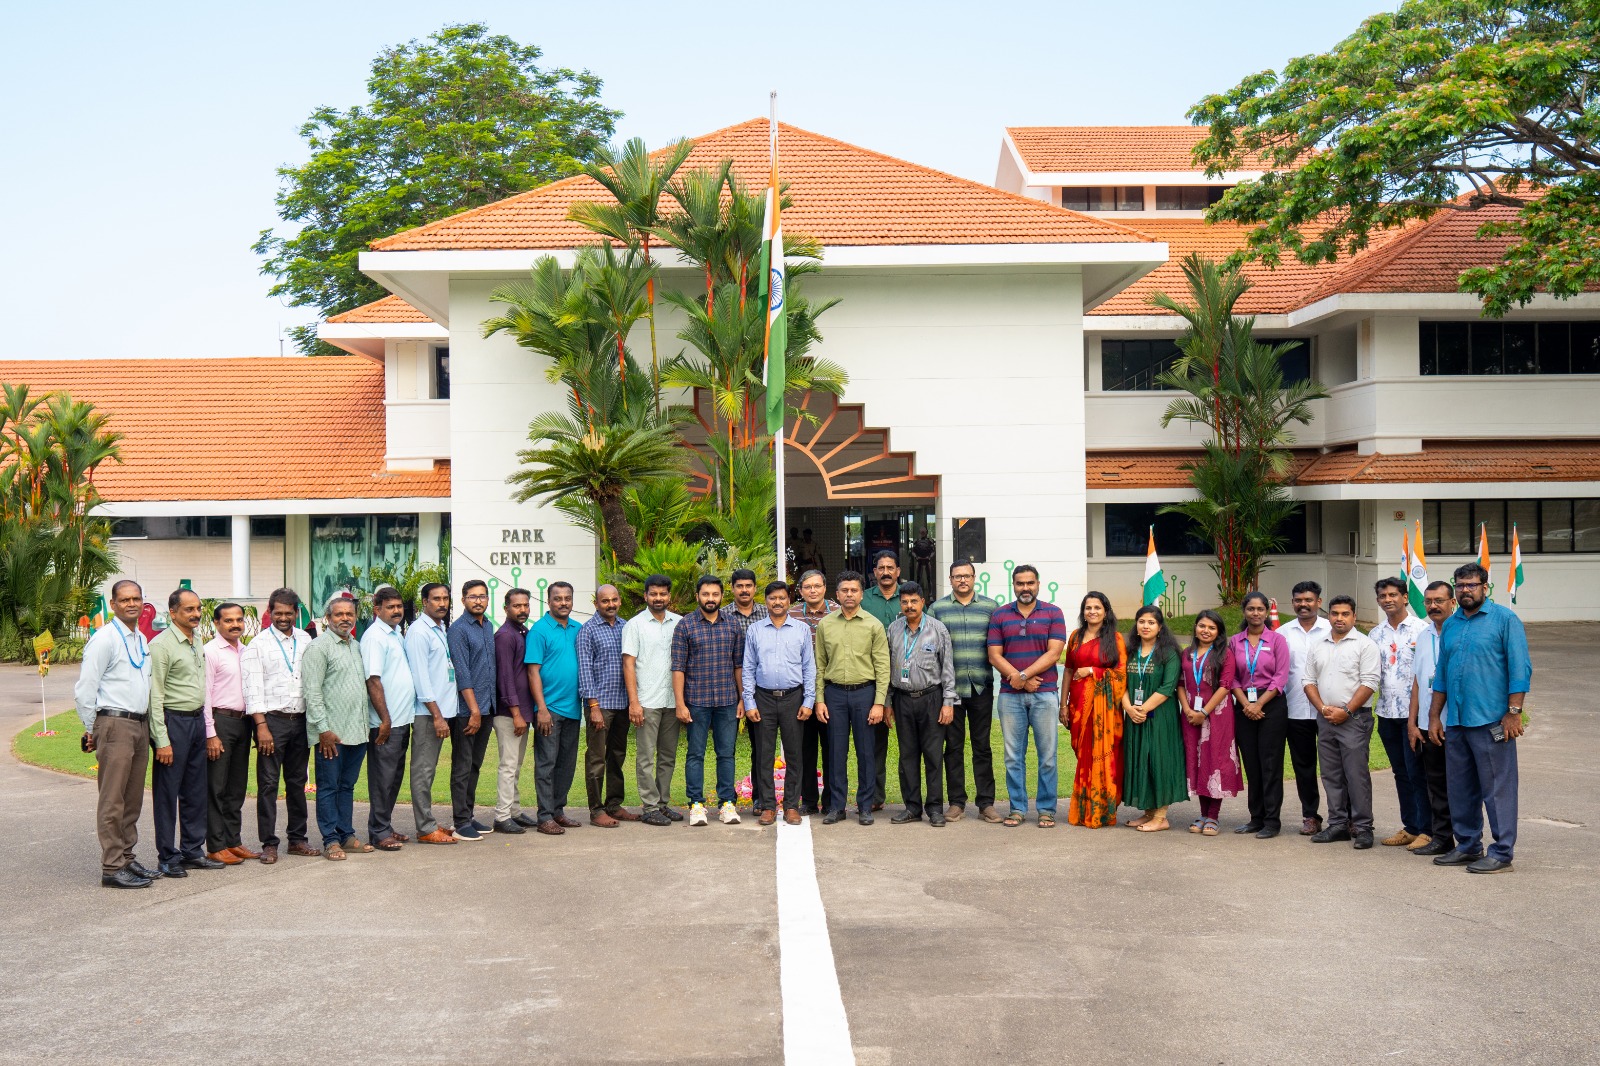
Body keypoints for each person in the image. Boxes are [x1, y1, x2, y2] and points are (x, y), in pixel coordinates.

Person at [1428, 562, 1531, 874]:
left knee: (1497, 788)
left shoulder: (1504, 620)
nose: (1465, 591)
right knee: (1460, 787)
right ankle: (1468, 845)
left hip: (1491, 722)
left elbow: (1520, 669)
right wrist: (1434, 716)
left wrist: (1513, 713)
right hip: (1457, 722)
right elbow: (1442, 675)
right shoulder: (1453, 624)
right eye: (1460, 586)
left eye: (1471, 585)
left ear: (1485, 587)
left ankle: (1501, 852)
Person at [75, 579, 159, 888]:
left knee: (132, 798)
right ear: (113, 604)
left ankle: (127, 858)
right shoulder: (104, 639)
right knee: (112, 799)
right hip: (114, 724)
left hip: (139, 724)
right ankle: (111, 867)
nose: (132, 604)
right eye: (125, 599)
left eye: (136, 598)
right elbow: (85, 689)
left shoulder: (139, 638)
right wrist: (91, 729)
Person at [148, 588, 223, 878]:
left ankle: (192, 851)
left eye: (198, 608)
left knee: (195, 791)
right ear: (173, 612)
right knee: (167, 794)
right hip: (172, 723)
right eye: (189, 609)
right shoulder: (162, 645)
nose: (195, 614)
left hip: (195, 723)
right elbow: (155, 695)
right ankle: (167, 857)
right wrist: (162, 740)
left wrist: (206, 729)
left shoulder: (196, 640)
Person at [986, 565, 1067, 828]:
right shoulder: (1000, 614)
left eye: (1030, 583)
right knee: (1012, 756)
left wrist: (1024, 676)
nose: (1025, 588)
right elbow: (994, 655)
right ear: (1013, 585)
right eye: (1020, 583)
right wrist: (1020, 680)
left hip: (1044, 695)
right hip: (1010, 697)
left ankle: (1046, 809)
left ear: (1038, 584)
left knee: (1047, 756)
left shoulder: (1053, 613)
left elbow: (1054, 653)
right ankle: (1017, 808)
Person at [244, 587, 317, 864]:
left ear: (296, 613)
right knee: (268, 785)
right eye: (278, 613)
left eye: (288, 613)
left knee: (298, 783)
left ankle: (297, 839)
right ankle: (269, 843)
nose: (283, 618)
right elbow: (253, 689)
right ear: (269, 612)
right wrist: (261, 727)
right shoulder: (258, 645)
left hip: (301, 721)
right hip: (272, 722)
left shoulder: (306, 640)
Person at [1303, 595, 1381, 850]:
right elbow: (1308, 680)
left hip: (1354, 720)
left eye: (1345, 614)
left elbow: (1370, 682)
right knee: (1331, 774)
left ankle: (1363, 827)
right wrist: (1323, 708)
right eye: (1335, 613)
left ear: (1354, 617)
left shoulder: (1365, 645)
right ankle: (1337, 824)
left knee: (1356, 775)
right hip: (1325, 718)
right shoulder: (1318, 644)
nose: (1339, 618)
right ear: (1329, 616)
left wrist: (1346, 711)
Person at [814, 570, 890, 825]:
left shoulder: (873, 625)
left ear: (861, 594)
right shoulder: (826, 624)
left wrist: (879, 702)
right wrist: (820, 699)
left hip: (865, 694)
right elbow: (819, 665)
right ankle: (836, 806)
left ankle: (865, 806)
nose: (849, 594)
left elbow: (882, 667)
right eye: (844, 590)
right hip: (834, 694)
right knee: (836, 752)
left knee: (866, 752)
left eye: (854, 590)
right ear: (837, 594)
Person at [742, 580, 817, 825]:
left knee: (795, 754)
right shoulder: (755, 630)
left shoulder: (801, 629)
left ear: (789, 601)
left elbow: (809, 667)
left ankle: (792, 805)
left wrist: (809, 700)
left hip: (793, 698)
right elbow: (748, 668)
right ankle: (768, 806)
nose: (777, 602)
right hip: (763, 698)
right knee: (763, 755)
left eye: (782, 598)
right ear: (766, 601)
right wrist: (749, 702)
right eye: (772, 598)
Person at [673, 575, 746, 826]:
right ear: (698, 596)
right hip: (696, 701)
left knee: (726, 754)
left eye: (715, 594)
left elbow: (739, 665)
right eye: (706, 594)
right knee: (695, 754)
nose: (710, 599)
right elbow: (678, 668)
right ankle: (696, 805)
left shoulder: (734, 625)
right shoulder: (685, 626)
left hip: (727, 700)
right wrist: (680, 704)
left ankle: (727, 804)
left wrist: (742, 698)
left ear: (721, 596)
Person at [930, 560, 1000, 823]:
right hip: (950, 690)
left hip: (981, 685)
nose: (962, 580)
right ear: (950, 579)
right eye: (957, 576)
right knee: (953, 747)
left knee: (982, 746)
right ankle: (956, 802)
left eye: (967, 576)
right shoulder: (938, 609)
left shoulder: (990, 608)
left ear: (974, 578)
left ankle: (986, 804)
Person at [303, 594, 372, 860]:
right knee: (329, 786)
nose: (345, 618)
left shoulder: (355, 645)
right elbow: (313, 692)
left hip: (356, 731)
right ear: (327, 619)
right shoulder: (319, 648)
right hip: (331, 734)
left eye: (349, 614)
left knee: (347, 786)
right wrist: (323, 730)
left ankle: (346, 835)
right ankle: (330, 839)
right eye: (339, 614)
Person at [886, 582, 955, 827]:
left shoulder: (937, 629)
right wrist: (887, 703)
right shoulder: (893, 629)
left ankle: (935, 808)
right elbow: (888, 668)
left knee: (933, 756)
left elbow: (947, 668)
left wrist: (948, 702)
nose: (909, 606)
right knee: (907, 756)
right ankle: (912, 807)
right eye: (904, 601)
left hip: (931, 699)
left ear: (923, 602)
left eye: (914, 601)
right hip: (902, 699)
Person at [1370, 576, 1432, 847]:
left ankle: (1428, 830)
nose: (1388, 600)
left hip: (1415, 716)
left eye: (1393, 595)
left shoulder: (1423, 630)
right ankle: (1410, 826)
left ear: (1405, 597)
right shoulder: (1375, 634)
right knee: (1400, 772)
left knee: (1419, 772)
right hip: (1386, 713)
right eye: (1383, 596)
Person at [1228, 591, 1293, 839]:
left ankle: (1272, 821)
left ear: (1267, 612)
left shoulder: (1277, 640)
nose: (1255, 613)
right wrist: (1246, 704)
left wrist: (1259, 705)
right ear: (1244, 611)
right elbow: (1231, 676)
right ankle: (1255, 818)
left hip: (1272, 705)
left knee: (1270, 764)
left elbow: (1280, 677)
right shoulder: (1235, 641)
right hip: (1244, 704)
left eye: (1260, 609)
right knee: (1252, 765)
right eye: (1251, 609)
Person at [1061, 591, 1126, 828]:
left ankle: (1102, 811)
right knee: (1083, 757)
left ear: (1105, 611)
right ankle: (1083, 811)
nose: (1092, 612)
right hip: (1078, 705)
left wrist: (1092, 671)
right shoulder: (1076, 638)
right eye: (1088, 608)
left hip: (1105, 712)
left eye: (1097, 608)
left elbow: (1121, 674)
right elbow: (1068, 670)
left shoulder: (1115, 639)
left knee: (1104, 757)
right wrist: (1063, 705)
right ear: (1083, 612)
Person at [623, 575, 683, 827]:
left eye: (663, 594)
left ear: (670, 596)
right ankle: (649, 806)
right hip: (646, 700)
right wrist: (634, 702)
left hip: (672, 700)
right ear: (645, 595)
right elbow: (628, 663)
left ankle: (662, 804)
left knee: (667, 756)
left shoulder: (680, 624)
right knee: (646, 757)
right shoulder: (634, 625)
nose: (658, 598)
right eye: (653, 594)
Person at [1121, 605, 1186, 832]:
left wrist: (1142, 710)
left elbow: (1168, 687)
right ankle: (1148, 812)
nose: (1145, 626)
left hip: (1160, 717)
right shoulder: (1130, 651)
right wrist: (1129, 708)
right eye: (1141, 621)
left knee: (1159, 760)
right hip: (1134, 715)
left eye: (1151, 622)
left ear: (1160, 628)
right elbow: (1121, 683)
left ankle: (1161, 817)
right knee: (1140, 759)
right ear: (1136, 626)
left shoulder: (1168, 653)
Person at [1177, 609, 1241, 835]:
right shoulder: (1186, 653)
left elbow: (1225, 686)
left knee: (1215, 760)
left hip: (1217, 716)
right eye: (1202, 626)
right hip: (1190, 716)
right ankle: (1203, 814)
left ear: (1219, 632)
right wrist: (1186, 709)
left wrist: (1204, 711)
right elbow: (1181, 683)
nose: (1206, 631)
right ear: (1195, 627)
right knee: (1197, 760)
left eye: (1212, 628)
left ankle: (1213, 817)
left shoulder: (1225, 654)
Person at [527, 581, 584, 835]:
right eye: (558, 598)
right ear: (548, 601)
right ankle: (544, 816)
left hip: (574, 708)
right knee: (546, 764)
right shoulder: (539, 631)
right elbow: (533, 672)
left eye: (567, 598)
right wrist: (541, 709)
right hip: (549, 710)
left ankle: (558, 811)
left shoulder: (578, 629)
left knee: (566, 764)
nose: (563, 603)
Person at [405, 582, 460, 846]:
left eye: (445, 598)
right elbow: (421, 678)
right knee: (423, 771)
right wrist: (437, 715)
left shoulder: (439, 628)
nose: (442, 603)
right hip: (428, 714)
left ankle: (427, 821)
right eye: (436, 599)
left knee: (429, 769)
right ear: (424, 602)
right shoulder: (419, 632)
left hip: (440, 712)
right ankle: (425, 828)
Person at [578, 584, 637, 827]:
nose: (610, 604)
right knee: (596, 758)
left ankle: (614, 804)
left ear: (620, 601)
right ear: (596, 604)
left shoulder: (627, 627)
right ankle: (596, 810)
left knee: (617, 756)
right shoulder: (588, 631)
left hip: (623, 703)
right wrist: (593, 706)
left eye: (614, 600)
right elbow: (585, 670)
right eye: (605, 601)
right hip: (600, 705)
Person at [203, 601, 257, 863]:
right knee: (216, 786)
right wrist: (210, 733)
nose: (235, 624)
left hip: (243, 722)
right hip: (220, 721)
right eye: (228, 620)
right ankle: (215, 845)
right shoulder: (210, 652)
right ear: (216, 623)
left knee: (236, 786)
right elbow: (204, 696)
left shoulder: (246, 651)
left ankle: (232, 840)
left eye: (239, 619)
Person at [361, 586, 414, 851]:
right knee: (382, 779)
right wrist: (384, 720)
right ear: (377, 609)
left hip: (402, 720)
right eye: (390, 607)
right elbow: (373, 680)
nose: (396, 611)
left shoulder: (396, 634)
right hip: (386, 723)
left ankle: (385, 825)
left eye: (399, 606)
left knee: (393, 777)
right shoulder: (375, 637)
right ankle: (378, 832)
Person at [1407, 581, 1457, 857]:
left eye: (1439, 600)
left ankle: (1468, 839)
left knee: (1460, 785)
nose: (1433, 606)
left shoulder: (1460, 631)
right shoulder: (1424, 636)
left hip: (1457, 723)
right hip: (1427, 725)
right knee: (1435, 784)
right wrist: (1412, 722)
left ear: (1453, 603)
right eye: (1428, 601)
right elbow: (1417, 681)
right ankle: (1442, 838)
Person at [446, 579, 497, 840]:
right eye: (472, 596)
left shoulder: (487, 626)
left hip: (487, 707)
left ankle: (469, 814)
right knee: (462, 766)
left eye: (482, 596)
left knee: (475, 764)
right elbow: (463, 674)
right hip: (469, 711)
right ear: (463, 600)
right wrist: (474, 710)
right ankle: (460, 821)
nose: (478, 600)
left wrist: (484, 709)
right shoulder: (458, 630)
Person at [1281, 581, 1331, 835]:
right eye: (1298, 600)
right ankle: (1310, 815)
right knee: (1304, 766)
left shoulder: (1332, 629)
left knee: (1336, 766)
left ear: (1318, 602)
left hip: (1330, 711)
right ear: (1293, 602)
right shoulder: (1282, 633)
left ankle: (1345, 817)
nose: (1303, 604)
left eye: (1309, 600)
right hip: (1295, 710)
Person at [491, 587, 538, 835]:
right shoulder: (505, 636)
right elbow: (505, 678)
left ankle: (514, 812)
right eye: (517, 606)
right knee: (508, 765)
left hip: (522, 712)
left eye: (525, 605)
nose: (522, 610)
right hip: (510, 713)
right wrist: (517, 713)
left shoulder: (522, 632)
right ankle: (501, 816)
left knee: (516, 765)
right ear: (506, 608)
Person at [793, 569, 840, 814]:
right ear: (800, 591)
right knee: (805, 748)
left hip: (830, 690)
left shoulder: (838, 612)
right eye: (807, 586)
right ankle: (809, 800)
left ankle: (832, 801)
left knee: (832, 747)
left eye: (817, 586)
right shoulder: (790, 614)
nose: (813, 590)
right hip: (799, 691)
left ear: (825, 588)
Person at [860, 551, 904, 811]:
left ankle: (914, 798)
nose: (886, 572)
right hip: (874, 681)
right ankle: (875, 797)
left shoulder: (909, 597)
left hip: (909, 682)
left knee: (911, 745)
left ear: (898, 571)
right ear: (874, 572)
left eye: (890, 567)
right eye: (881, 568)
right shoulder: (864, 599)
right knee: (874, 744)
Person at [720, 569, 769, 635]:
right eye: (739, 586)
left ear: (755, 588)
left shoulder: (767, 614)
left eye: (748, 586)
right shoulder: (722, 616)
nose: (744, 590)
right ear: (732, 588)